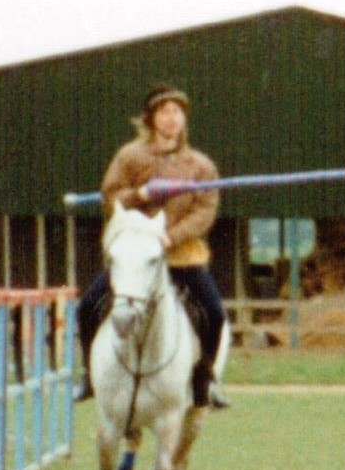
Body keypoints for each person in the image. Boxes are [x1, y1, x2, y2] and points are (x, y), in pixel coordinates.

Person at [75, 83, 229, 409]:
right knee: (88, 305)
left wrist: (171, 236)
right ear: (151, 118)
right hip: (136, 259)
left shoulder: (201, 166)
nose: (171, 118)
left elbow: (206, 210)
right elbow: (110, 197)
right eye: (164, 112)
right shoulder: (130, 156)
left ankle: (204, 379)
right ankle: (89, 375)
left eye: (177, 112)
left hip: (181, 257)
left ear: (184, 118)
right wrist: (140, 195)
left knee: (214, 314)